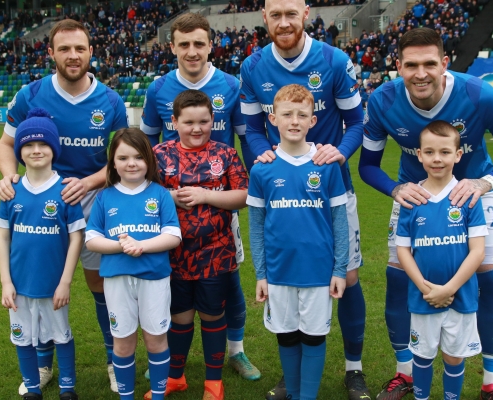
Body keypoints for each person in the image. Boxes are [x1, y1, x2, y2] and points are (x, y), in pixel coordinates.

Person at [360, 28, 493, 400]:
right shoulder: (382, 101)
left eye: (429, 63)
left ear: (444, 64)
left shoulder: (479, 95)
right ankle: (404, 373)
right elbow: (368, 167)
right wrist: (395, 188)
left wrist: (485, 182)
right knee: (398, 283)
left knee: (488, 282)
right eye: (411, 65)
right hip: (414, 198)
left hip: (473, 195)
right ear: (397, 66)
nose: (420, 73)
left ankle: (492, 381)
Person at [240, 0, 369, 396]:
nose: (283, 22)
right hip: (281, 184)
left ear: (305, 15)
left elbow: (357, 121)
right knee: (287, 277)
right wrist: (262, 156)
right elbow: (251, 128)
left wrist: (340, 152)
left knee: (346, 276)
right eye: (275, 15)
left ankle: (353, 367)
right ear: (264, 18)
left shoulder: (333, 60)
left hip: (329, 185)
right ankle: (292, 376)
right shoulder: (252, 66)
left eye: (290, 14)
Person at [0, 19, 128, 395]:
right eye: (65, 49)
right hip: (40, 202)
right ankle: (42, 366)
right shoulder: (30, 95)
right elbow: (6, 145)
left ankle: (114, 360)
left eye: (80, 49)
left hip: (94, 200)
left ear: (91, 52)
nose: (73, 56)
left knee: (101, 285)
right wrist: (10, 178)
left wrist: (88, 182)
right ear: (51, 53)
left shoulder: (111, 100)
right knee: (40, 283)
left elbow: (122, 158)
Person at [139, 12, 260, 382]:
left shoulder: (231, 85)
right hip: (172, 209)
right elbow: (144, 145)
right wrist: (159, 197)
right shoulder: (158, 89)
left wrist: (254, 184)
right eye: (184, 44)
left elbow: (246, 137)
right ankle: (172, 366)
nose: (192, 51)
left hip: (220, 202)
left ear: (211, 45)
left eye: (199, 44)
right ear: (172, 46)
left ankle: (236, 352)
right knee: (175, 291)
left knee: (228, 282)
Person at [248, 84, 349, 400]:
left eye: (301, 115)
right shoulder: (262, 168)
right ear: (272, 118)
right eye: (287, 114)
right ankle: (292, 392)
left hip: (318, 272)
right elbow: (256, 227)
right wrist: (261, 275)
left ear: (313, 121)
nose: (294, 121)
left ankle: (307, 396)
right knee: (287, 336)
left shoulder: (326, 165)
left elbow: (340, 224)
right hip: (279, 273)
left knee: (314, 337)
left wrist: (340, 270)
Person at [153, 90, 249, 400]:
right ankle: (175, 377)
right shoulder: (159, 154)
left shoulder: (226, 154)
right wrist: (169, 197)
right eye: (189, 122)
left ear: (213, 120)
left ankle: (213, 383)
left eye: (204, 121)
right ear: (174, 122)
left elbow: (245, 195)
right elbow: (139, 193)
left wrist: (205, 195)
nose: (197, 128)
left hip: (216, 252)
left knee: (212, 315)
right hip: (172, 254)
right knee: (179, 316)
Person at [86, 128, 182, 400]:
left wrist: (142, 246)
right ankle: (126, 396)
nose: (131, 163)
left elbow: (173, 235)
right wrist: (120, 246)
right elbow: (92, 239)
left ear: (149, 161)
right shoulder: (104, 197)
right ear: (113, 163)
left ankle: (159, 394)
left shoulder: (160, 194)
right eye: (123, 157)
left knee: (155, 339)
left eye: (139, 157)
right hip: (116, 279)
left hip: (154, 278)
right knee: (123, 341)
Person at [0, 108, 85, 400]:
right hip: (19, 285)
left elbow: (76, 238)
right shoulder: (12, 191)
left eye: (43, 144)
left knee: (61, 335)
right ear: (19, 151)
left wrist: (65, 282)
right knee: (22, 337)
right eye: (28, 145)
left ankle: (67, 387)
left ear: (54, 148)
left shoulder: (65, 190)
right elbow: (3, 236)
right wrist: (6, 282)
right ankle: (32, 388)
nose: (36, 150)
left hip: (53, 285)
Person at [395, 121, 488, 400]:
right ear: (419, 155)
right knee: (422, 356)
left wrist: (449, 289)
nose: (437, 159)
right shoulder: (412, 198)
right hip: (423, 297)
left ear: (458, 155)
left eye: (445, 152)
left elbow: (478, 251)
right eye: (430, 152)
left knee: (454, 357)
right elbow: (403, 251)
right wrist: (427, 289)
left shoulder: (468, 196)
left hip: (461, 296)